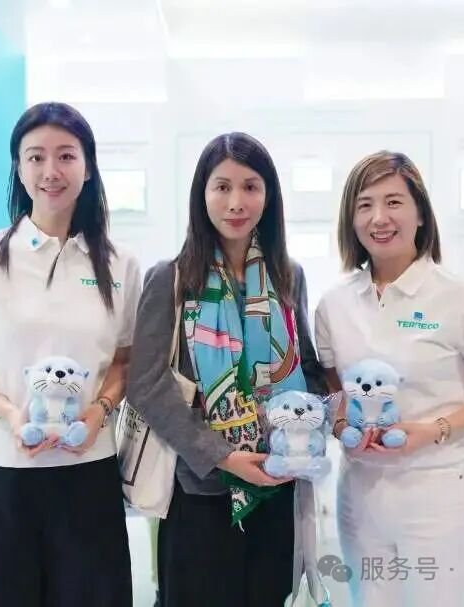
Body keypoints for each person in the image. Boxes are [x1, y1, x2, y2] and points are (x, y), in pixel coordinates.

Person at [0, 102, 140, 606]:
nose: (51, 171)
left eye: (66, 156)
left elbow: (124, 362)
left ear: (88, 168)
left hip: (87, 472)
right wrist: (7, 411)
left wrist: (99, 411)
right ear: (19, 168)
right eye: (36, 157)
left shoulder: (121, 265)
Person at [127, 132, 326, 607]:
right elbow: (147, 384)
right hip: (200, 490)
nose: (236, 202)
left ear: (269, 195)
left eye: (250, 186)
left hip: (277, 479)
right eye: (222, 187)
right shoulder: (172, 278)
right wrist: (222, 456)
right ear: (202, 194)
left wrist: (312, 430)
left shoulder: (287, 275)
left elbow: (307, 367)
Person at [314, 151, 464, 607]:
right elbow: (333, 391)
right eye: (365, 205)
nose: (379, 218)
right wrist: (340, 426)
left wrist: (434, 430)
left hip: (435, 489)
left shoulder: (459, 296)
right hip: (359, 491)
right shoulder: (334, 304)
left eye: (394, 202)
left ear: (421, 213)